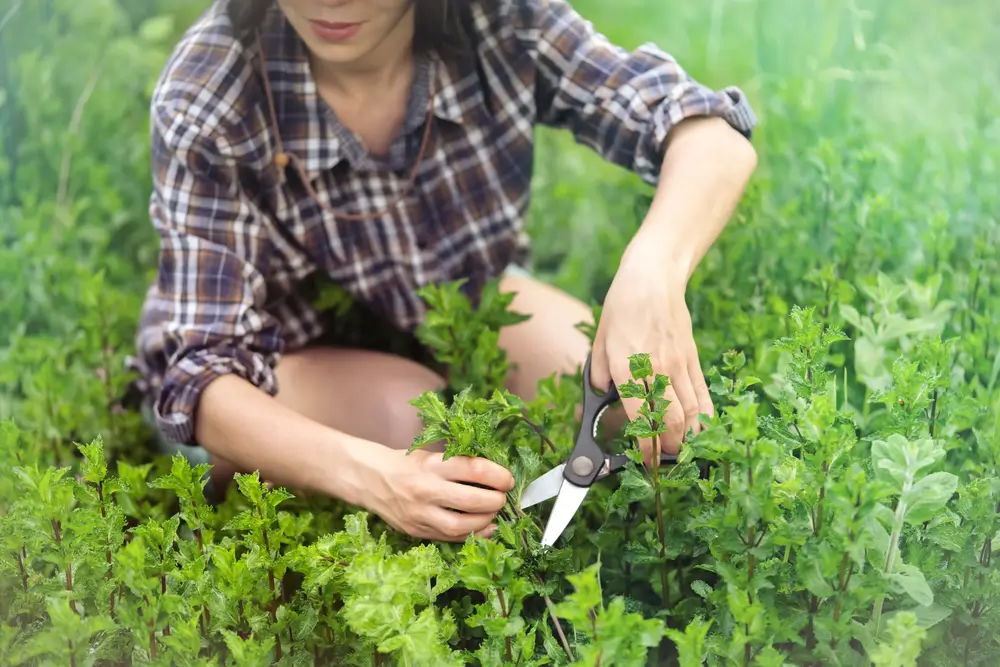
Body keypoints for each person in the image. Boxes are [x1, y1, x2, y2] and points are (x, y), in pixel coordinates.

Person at [127, 0, 758, 543]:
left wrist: (651, 271)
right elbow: (204, 380)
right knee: (423, 433)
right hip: (280, 361)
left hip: (453, 301)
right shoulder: (212, 90)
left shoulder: (499, 19)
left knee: (627, 406)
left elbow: (706, 131)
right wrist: (376, 476)